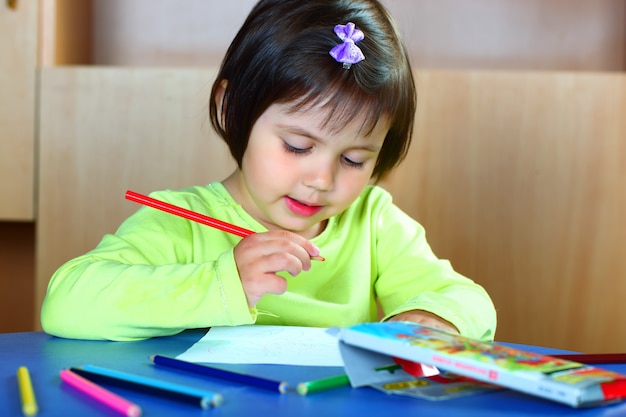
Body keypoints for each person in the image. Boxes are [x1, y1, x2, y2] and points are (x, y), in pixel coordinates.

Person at [40, 0, 497, 341]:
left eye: (354, 159)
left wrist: (433, 317)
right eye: (298, 146)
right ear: (231, 104)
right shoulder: (180, 220)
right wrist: (222, 281)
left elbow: (470, 301)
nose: (322, 180)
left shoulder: (373, 223)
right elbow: (66, 303)